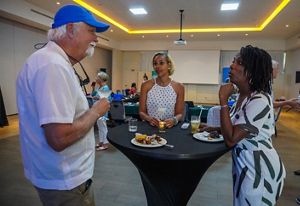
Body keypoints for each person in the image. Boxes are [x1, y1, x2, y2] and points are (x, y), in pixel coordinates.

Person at [16, 5, 110, 206]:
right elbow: (59, 137)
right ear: (70, 29)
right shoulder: (53, 66)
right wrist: (95, 111)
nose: (96, 39)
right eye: (92, 31)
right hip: (66, 183)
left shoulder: (52, 62)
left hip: (60, 177)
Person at [204, 45, 286, 205]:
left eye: (239, 62)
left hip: (258, 169)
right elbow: (238, 129)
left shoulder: (260, 100)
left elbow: (232, 139)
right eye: (234, 61)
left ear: (252, 71)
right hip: (244, 165)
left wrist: (223, 101)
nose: (232, 66)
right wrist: (215, 129)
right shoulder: (244, 96)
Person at [139, 52, 184, 128]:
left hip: (170, 129)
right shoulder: (146, 85)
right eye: (155, 64)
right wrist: (149, 119)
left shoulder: (179, 87)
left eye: (161, 63)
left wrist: (174, 120)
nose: (157, 66)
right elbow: (141, 112)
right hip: (149, 128)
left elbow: (179, 114)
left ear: (169, 65)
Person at [94, 72, 111, 151]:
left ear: (101, 79)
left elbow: (105, 100)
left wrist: (96, 98)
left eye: (97, 77)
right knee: (100, 126)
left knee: (103, 127)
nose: (96, 78)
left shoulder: (105, 88)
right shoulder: (100, 87)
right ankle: (101, 141)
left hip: (103, 111)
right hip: (98, 110)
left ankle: (105, 144)